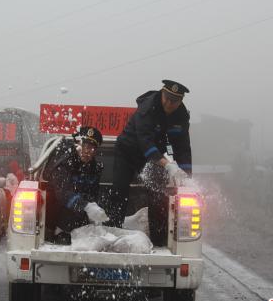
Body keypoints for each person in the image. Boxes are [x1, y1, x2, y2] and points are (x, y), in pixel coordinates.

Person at [106, 80, 192, 246]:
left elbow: (183, 149)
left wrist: (187, 177)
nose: (168, 103)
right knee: (120, 190)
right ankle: (113, 231)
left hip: (153, 157)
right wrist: (168, 165)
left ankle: (158, 239)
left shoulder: (181, 116)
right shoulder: (147, 107)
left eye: (174, 101)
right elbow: (145, 142)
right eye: (166, 97)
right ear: (162, 93)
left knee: (158, 194)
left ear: (180, 101)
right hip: (128, 151)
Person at [43, 126, 108, 244]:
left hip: (78, 225)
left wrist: (97, 211)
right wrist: (87, 206)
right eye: (85, 146)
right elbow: (62, 194)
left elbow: (93, 194)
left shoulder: (94, 168)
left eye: (92, 148)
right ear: (77, 144)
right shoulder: (63, 161)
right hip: (55, 222)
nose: (88, 151)